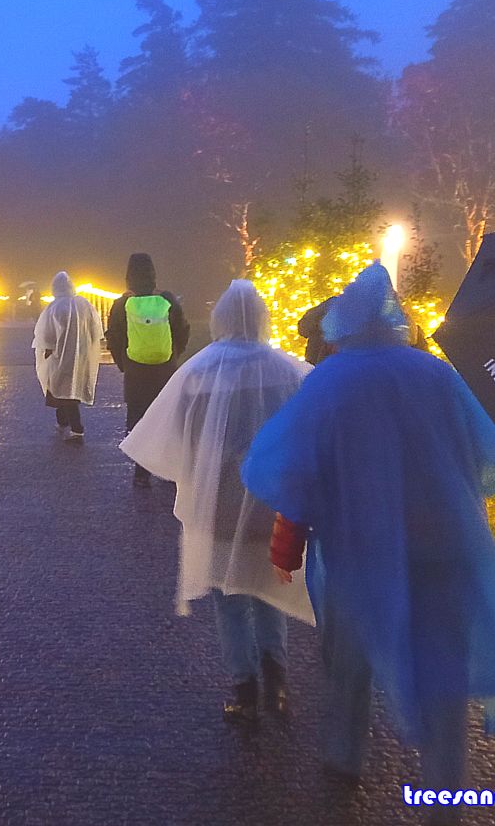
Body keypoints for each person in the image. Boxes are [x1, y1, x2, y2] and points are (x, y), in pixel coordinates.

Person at [242, 264, 495, 817]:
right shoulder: (436, 375)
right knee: (444, 669)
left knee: (349, 658)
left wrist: (291, 540)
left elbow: (291, 470)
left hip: (357, 549)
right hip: (443, 545)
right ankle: (445, 790)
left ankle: (344, 754)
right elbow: (486, 454)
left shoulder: (329, 383)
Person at [121, 280, 313, 722]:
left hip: (220, 500)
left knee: (230, 600)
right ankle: (277, 681)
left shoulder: (201, 370)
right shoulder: (287, 370)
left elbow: (179, 436)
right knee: (271, 590)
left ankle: (244, 689)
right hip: (273, 502)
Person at [104, 252, 190, 486]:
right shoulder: (167, 299)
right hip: (165, 370)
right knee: (168, 415)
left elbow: (113, 337)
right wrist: (173, 355)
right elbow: (183, 329)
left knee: (138, 417)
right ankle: (170, 469)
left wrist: (124, 363)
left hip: (136, 371)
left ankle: (141, 472)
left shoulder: (122, 304)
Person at [32, 271, 104, 441]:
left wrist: (47, 352)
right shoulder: (84, 304)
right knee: (71, 386)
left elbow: (46, 335)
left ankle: (76, 429)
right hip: (82, 354)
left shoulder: (54, 308)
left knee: (62, 387)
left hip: (60, 355)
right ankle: (63, 421)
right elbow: (95, 329)